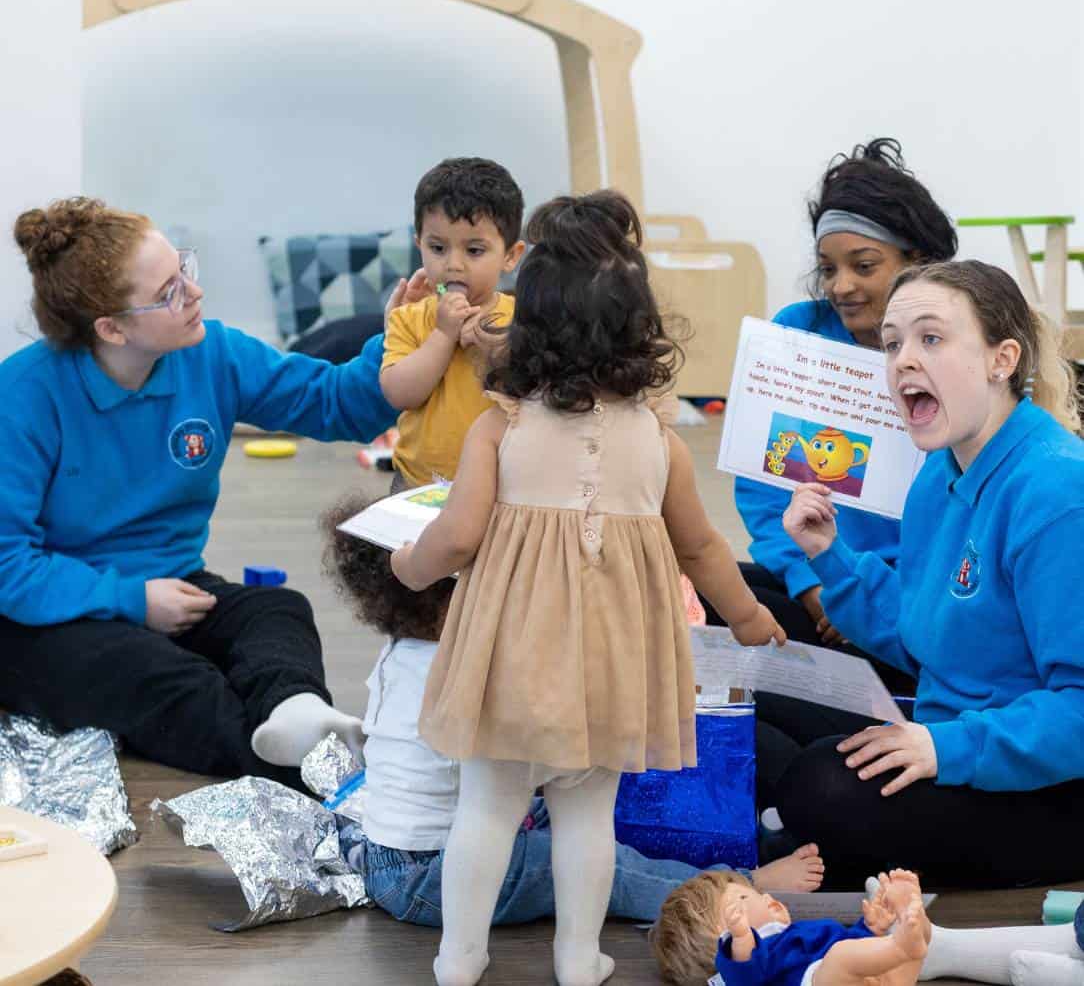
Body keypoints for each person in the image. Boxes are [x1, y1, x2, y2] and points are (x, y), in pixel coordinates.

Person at [390, 190, 785, 986]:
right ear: (639, 332)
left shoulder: (500, 426)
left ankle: (459, 958)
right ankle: (578, 958)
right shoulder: (661, 442)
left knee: (487, 811)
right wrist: (747, 618)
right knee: (587, 817)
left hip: (511, 659)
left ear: (524, 325)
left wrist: (409, 566)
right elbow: (703, 549)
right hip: (611, 668)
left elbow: (458, 535)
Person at [0, 197, 403, 792]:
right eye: (167, 291)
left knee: (277, 610)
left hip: (170, 585)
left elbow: (336, 402)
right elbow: (9, 567)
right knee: (174, 680)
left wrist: (397, 337)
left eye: (184, 269)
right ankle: (323, 777)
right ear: (111, 328)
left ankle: (295, 714)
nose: (194, 293)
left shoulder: (211, 353)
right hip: (45, 620)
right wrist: (133, 600)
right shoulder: (24, 393)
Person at [321, 491, 824, 930]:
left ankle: (732, 853)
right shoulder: (459, 669)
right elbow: (533, 756)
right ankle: (737, 889)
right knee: (606, 864)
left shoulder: (407, 651)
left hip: (406, 851)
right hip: (430, 874)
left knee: (593, 819)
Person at [774, 259, 1084, 886]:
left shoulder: (1058, 490)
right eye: (893, 344)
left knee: (817, 785)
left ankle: (788, 839)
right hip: (953, 736)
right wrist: (829, 553)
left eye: (931, 338)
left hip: (1053, 787)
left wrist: (942, 748)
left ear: (1003, 359)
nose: (902, 361)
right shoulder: (940, 475)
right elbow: (923, 630)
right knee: (769, 707)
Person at [729, 140, 956, 674]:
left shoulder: (956, 352)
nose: (841, 286)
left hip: (914, 602)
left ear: (917, 262)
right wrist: (812, 583)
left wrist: (864, 589)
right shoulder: (797, 333)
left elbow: (962, 521)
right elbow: (762, 490)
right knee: (711, 592)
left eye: (864, 265)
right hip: (817, 581)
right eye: (828, 268)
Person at [651, 867, 1084, 986]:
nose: (763, 896)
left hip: (855, 977)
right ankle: (905, 942)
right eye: (745, 900)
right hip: (823, 980)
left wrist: (867, 926)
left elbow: (844, 946)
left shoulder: (791, 935)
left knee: (848, 950)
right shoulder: (743, 962)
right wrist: (741, 941)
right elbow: (741, 973)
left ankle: (910, 938)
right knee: (840, 957)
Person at [380, 157, 526, 491]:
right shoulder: (409, 317)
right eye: (437, 248)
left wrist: (494, 347)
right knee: (408, 547)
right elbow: (399, 393)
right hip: (417, 482)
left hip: (501, 485)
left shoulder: (522, 320)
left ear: (511, 256)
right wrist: (443, 335)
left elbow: (534, 395)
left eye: (474, 250)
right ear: (419, 244)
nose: (453, 265)